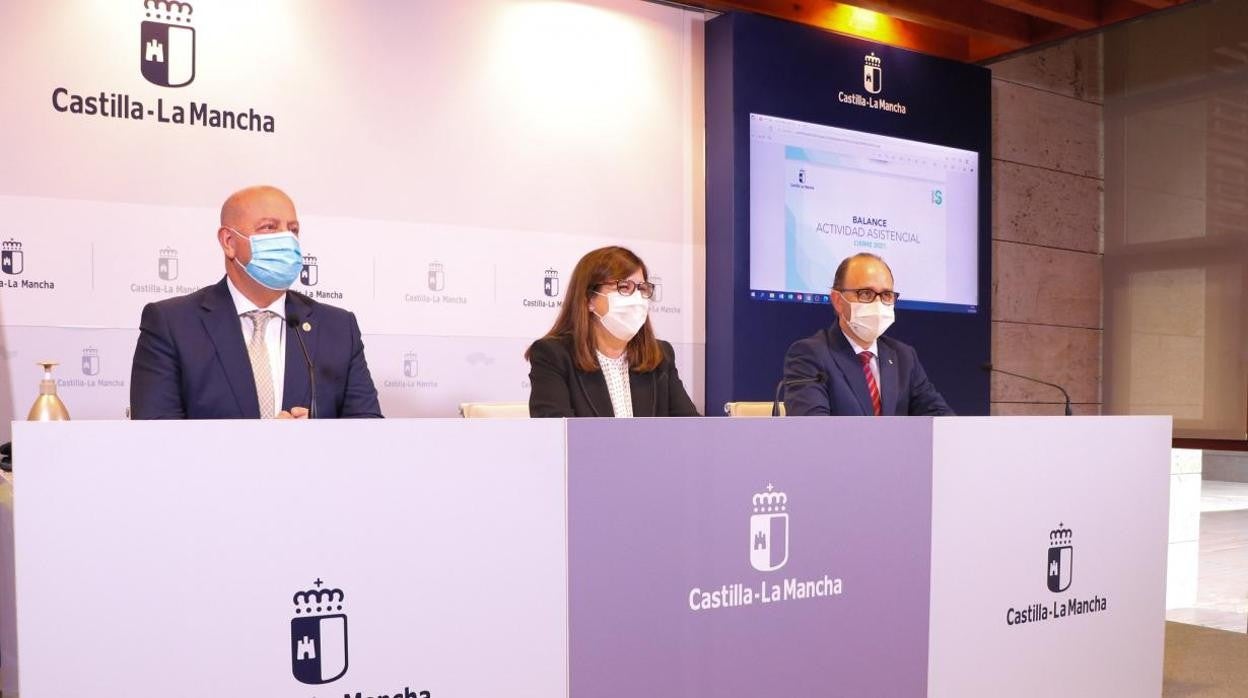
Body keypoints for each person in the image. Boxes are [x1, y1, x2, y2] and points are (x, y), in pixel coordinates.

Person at [130, 185, 382, 419]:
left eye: (293, 230)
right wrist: (265, 443)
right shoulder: (172, 324)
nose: (287, 239)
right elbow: (156, 438)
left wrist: (319, 435)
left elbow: (368, 429)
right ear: (229, 242)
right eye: (269, 227)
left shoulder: (338, 328)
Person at [526, 246, 699, 417]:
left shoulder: (660, 356)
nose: (637, 299)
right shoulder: (554, 355)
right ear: (589, 299)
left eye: (642, 289)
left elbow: (691, 427)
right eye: (624, 287)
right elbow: (556, 430)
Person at [783, 252, 953, 417]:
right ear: (838, 301)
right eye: (866, 294)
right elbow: (813, 429)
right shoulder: (810, 355)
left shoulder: (904, 357)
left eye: (886, 295)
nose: (878, 303)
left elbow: (940, 418)